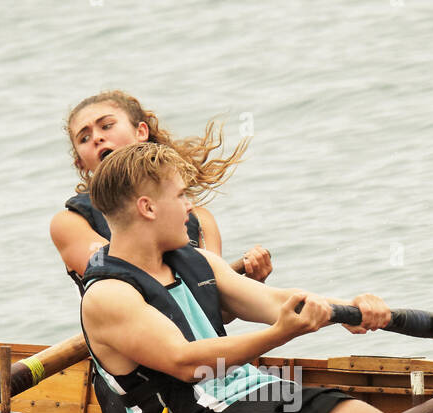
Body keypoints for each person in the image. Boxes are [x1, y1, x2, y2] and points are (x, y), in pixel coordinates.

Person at [79, 142, 391, 413]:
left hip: (258, 390)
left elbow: (276, 301)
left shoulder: (196, 260)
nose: (190, 207)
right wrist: (280, 334)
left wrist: (347, 310)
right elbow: (186, 363)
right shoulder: (108, 295)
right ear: (147, 208)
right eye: (181, 196)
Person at [50, 90, 273, 296]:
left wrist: (250, 283)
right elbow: (118, 272)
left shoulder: (200, 219)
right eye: (84, 138)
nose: (97, 138)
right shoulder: (70, 223)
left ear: (141, 132)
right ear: (80, 163)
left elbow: (217, 309)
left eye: (107, 126)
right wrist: (207, 273)